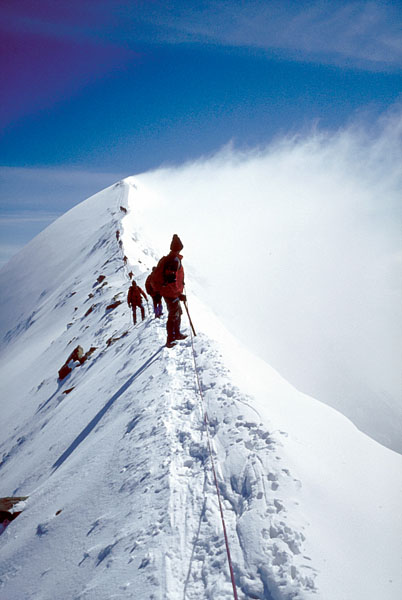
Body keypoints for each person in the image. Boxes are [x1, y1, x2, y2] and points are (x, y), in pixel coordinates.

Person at [153, 234, 187, 348]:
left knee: (178, 313)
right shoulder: (174, 261)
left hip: (169, 292)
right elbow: (171, 281)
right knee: (173, 315)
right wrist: (179, 294)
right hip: (170, 293)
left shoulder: (169, 258)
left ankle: (176, 334)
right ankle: (170, 339)